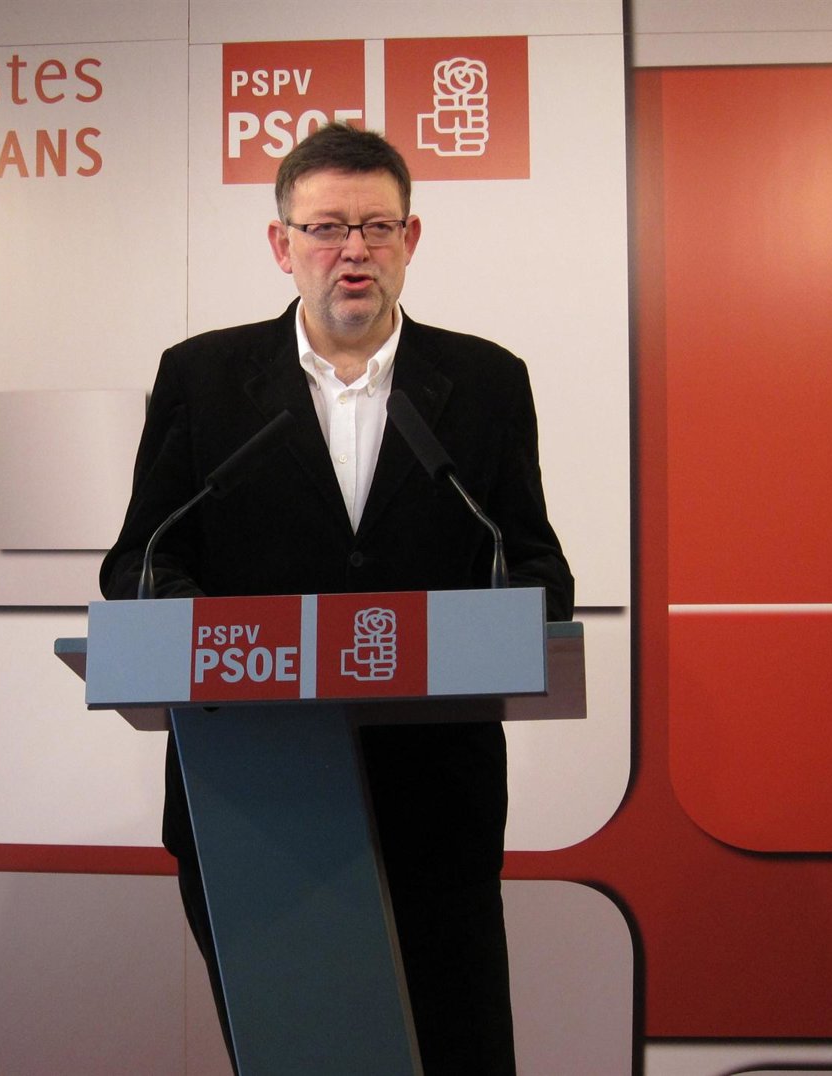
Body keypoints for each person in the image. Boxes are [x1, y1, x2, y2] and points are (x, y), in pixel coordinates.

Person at [100, 122, 573, 1075]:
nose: (352, 250)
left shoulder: (485, 382)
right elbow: (143, 562)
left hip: (434, 801)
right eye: (325, 228)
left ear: (410, 239)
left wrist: (487, 620)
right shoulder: (203, 378)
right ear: (283, 245)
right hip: (251, 797)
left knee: (454, 1053)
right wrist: (238, 638)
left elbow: (532, 568)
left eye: (376, 226)